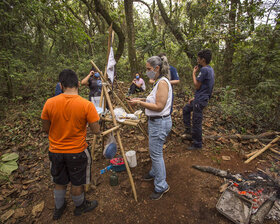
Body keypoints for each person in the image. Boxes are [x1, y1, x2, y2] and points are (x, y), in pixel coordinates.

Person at [41, 69, 100, 220]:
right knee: (77, 181)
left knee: (59, 181)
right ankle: (80, 206)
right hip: (77, 151)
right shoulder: (86, 105)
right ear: (77, 85)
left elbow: (46, 129)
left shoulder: (49, 103)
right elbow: (96, 130)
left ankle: (59, 208)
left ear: (61, 85)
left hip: (55, 151)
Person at [129, 56, 172, 200]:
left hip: (160, 122)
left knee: (156, 153)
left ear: (157, 68)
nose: (147, 72)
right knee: (154, 150)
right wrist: (139, 100)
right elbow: (152, 99)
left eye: (148, 69)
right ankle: (155, 171)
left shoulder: (163, 83)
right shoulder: (158, 82)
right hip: (156, 122)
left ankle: (161, 185)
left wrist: (140, 104)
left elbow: (159, 106)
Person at [182, 49, 215, 150]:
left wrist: (193, 73)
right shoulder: (210, 69)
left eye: (198, 58)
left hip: (200, 100)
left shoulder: (204, 70)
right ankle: (188, 130)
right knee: (186, 109)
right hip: (200, 98)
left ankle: (197, 144)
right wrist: (195, 97)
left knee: (196, 121)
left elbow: (197, 85)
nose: (197, 60)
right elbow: (206, 87)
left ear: (203, 60)